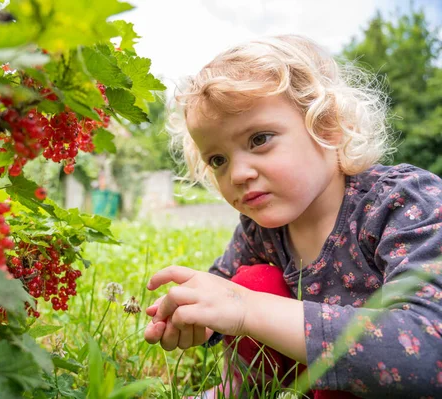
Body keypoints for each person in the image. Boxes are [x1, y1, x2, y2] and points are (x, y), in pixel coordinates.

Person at [143, 34, 442, 398]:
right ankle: (244, 387)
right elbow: (222, 286)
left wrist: (245, 308)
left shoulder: (400, 202)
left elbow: (428, 350)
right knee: (249, 281)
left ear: (326, 124)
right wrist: (198, 317)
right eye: (218, 160)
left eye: (259, 139)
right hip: (312, 382)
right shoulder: (262, 228)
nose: (237, 174)